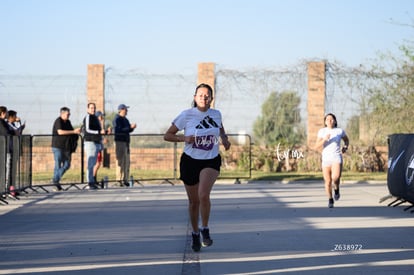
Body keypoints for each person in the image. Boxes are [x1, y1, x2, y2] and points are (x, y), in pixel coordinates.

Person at [163, 83, 231, 252]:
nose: (203, 98)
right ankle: (194, 232)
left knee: (203, 195)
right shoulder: (186, 115)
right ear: (195, 97)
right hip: (190, 161)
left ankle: (205, 229)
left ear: (211, 99)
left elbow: (220, 129)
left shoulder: (216, 114)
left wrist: (225, 139)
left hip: (211, 160)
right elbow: (167, 135)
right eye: (200, 95)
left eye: (207, 95)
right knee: (194, 202)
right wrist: (184, 139)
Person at [315, 113, 349, 208]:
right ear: (325, 122)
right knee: (328, 181)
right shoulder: (322, 131)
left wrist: (345, 147)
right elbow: (316, 146)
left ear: (335, 121)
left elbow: (346, 140)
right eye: (327, 119)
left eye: (331, 119)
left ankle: (337, 189)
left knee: (335, 177)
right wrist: (324, 139)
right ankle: (330, 199)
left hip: (336, 157)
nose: (329, 121)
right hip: (326, 159)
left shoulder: (339, 131)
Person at [51, 107, 81, 191]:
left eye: (69, 114)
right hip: (57, 146)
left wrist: (76, 132)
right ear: (62, 114)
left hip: (66, 147)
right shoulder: (58, 121)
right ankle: (55, 183)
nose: (69, 116)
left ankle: (55, 180)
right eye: (67, 114)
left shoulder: (68, 122)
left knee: (67, 165)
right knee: (58, 164)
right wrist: (73, 132)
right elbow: (60, 132)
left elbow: (72, 131)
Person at [113, 104, 136, 186]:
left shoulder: (125, 119)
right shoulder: (117, 119)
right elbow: (119, 129)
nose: (126, 111)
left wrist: (131, 128)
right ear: (121, 110)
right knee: (120, 160)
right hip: (120, 141)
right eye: (125, 109)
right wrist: (129, 127)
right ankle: (119, 179)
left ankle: (125, 179)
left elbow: (128, 130)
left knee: (126, 161)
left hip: (126, 142)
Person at [83, 103, 105, 189]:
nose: (93, 109)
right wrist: (99, 132)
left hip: (96, 142)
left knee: (93, 163)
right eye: (91, 108)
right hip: (90, 142)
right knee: (90, 163)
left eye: (94, 108)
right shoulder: (88, 117)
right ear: (87, 109)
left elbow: (99, 130)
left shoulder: (95, 118)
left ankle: (92, 181)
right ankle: (89, 182)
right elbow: (88, 130)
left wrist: (104, 132)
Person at [93, 111, 111, 183]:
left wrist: (107, 132)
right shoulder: (95, 124)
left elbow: (101, 133)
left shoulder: (99, 124)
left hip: (99, 146)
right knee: (97, 163)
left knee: (98, 162)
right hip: (96, 146)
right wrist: (103, 140)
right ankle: (93, 178)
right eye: (101, 116)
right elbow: (96, 134)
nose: (102, 117)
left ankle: (94, 178)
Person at [0, 106, 15, 192]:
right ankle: (4, 189)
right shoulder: (1, 122)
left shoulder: (4, 122)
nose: (7, 114)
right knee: (5, 169)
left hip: (6, 149)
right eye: (6, 112)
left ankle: (6, 188)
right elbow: (6, 132)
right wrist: (13, 132)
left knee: (7, 169)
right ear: (2, 113)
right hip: (3, 149)